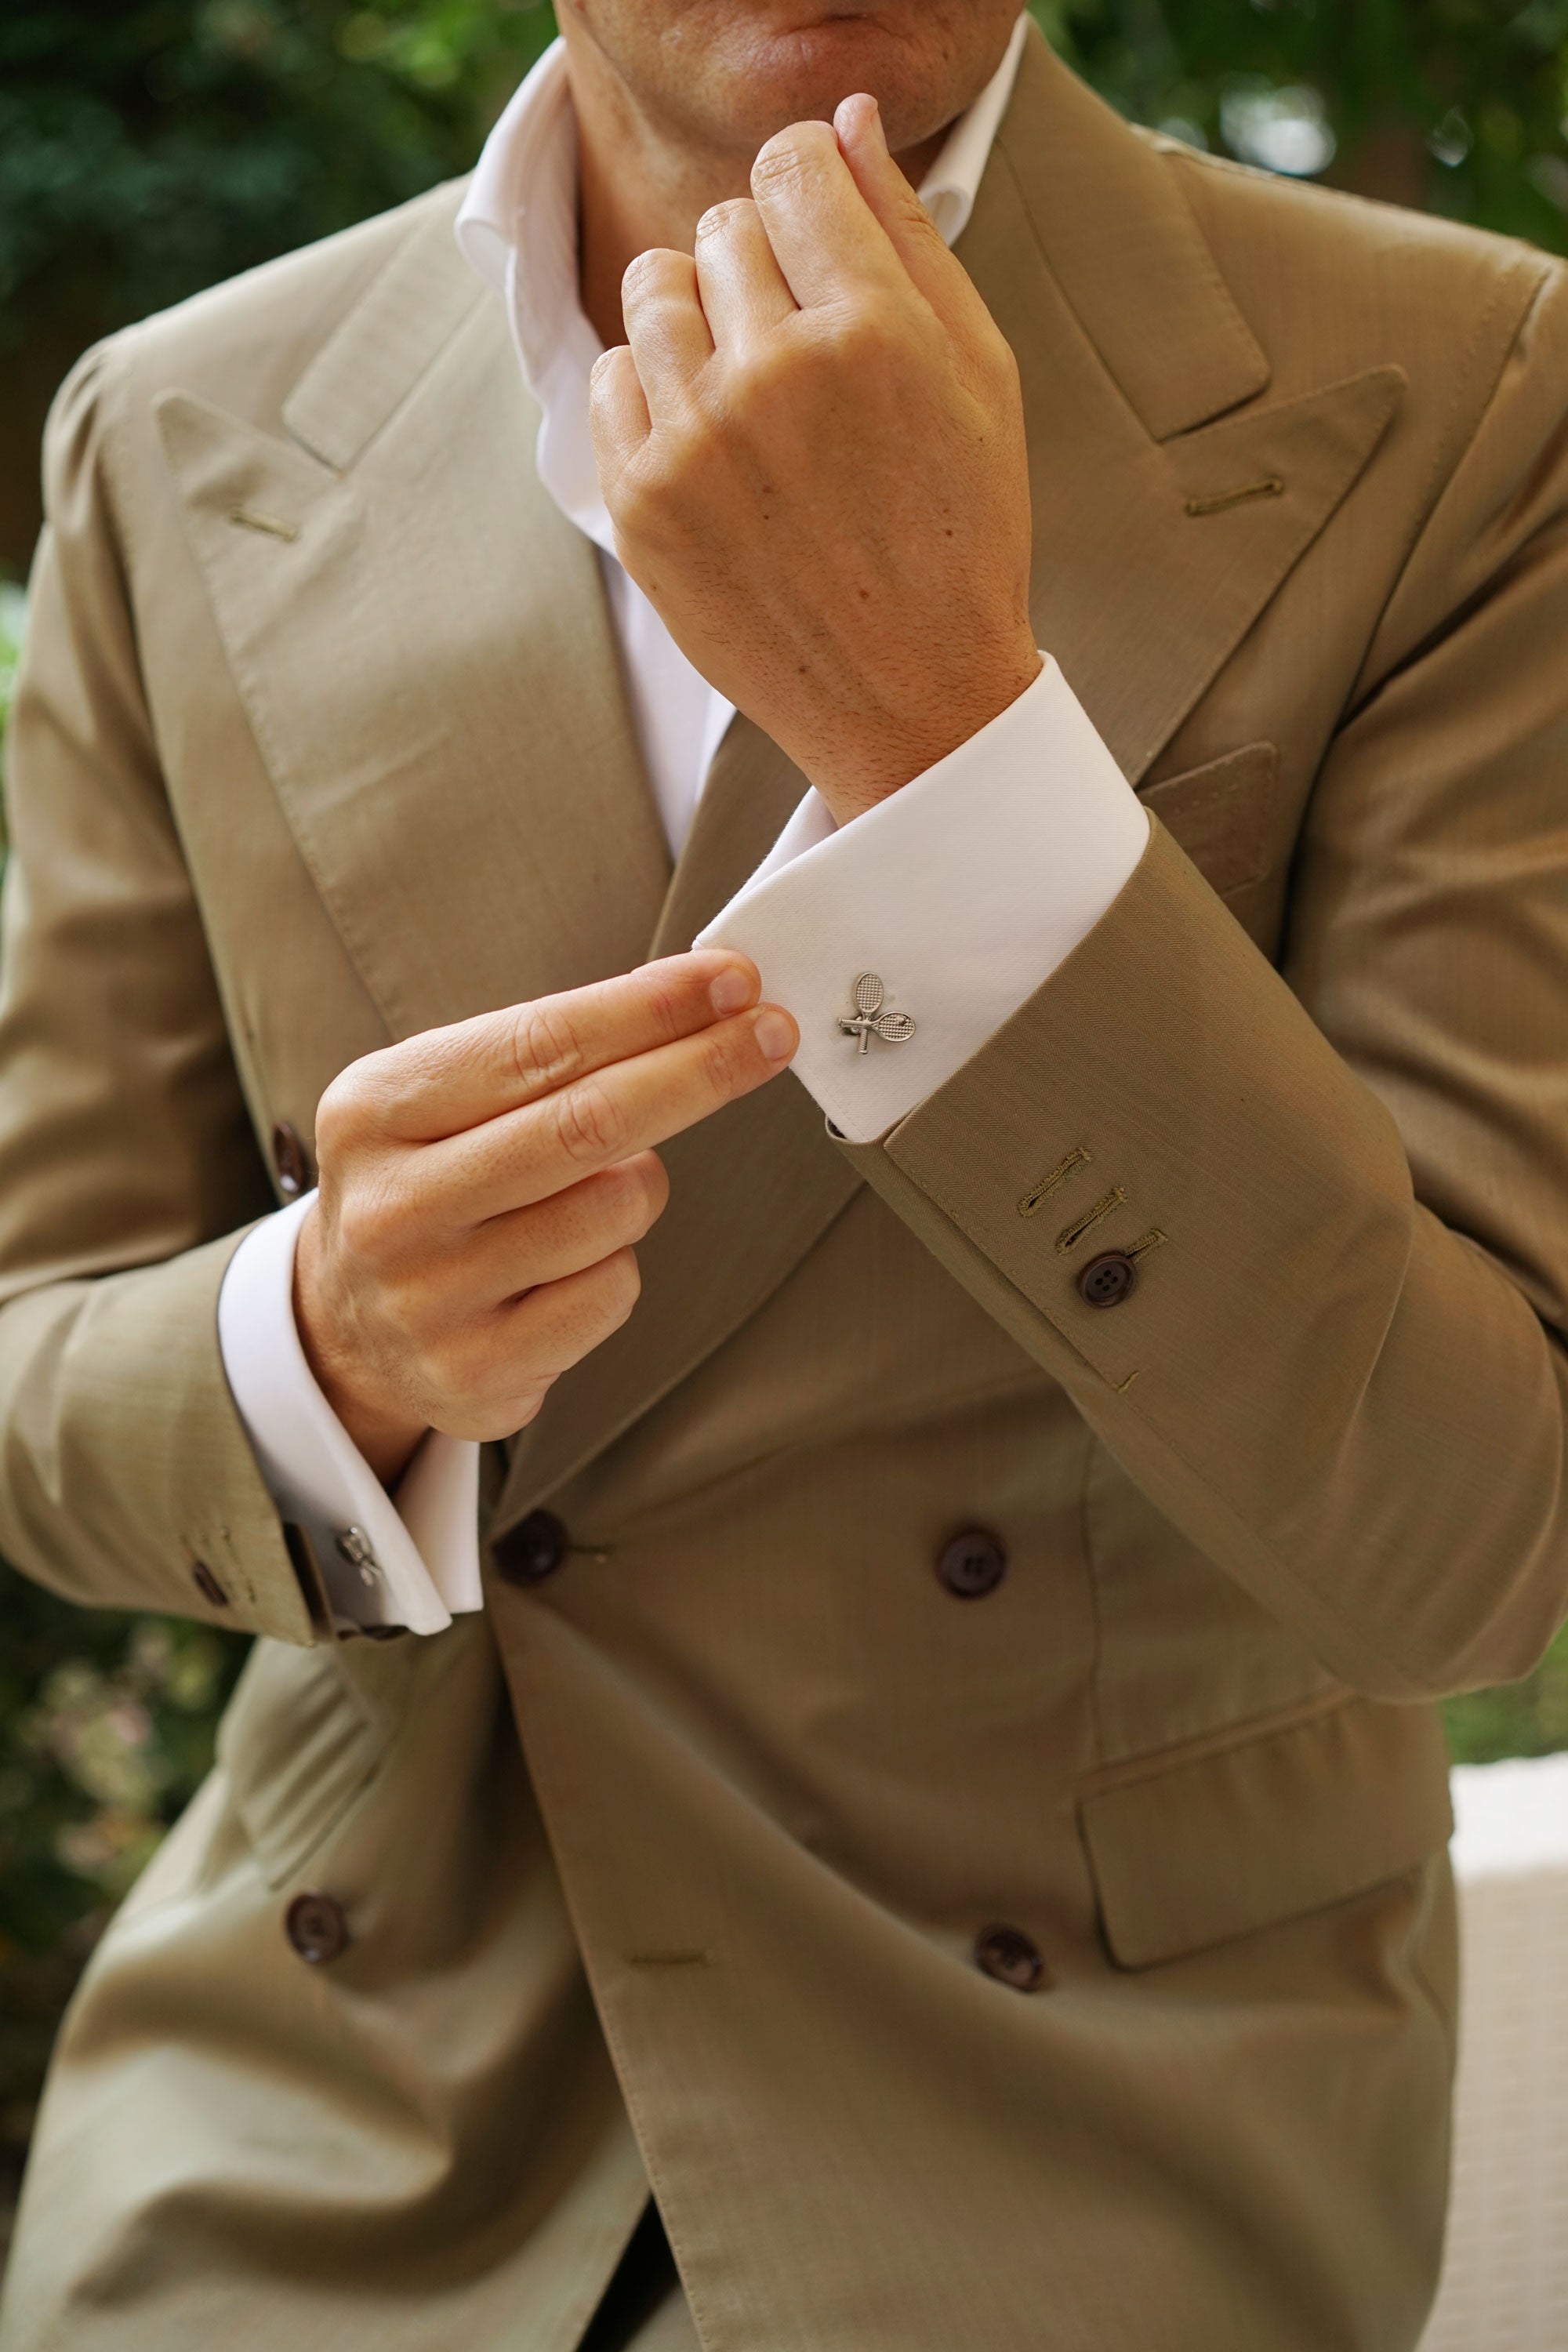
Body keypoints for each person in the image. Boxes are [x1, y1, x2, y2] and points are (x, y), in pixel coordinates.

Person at [1, 1, 1566, 2343]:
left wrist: (946, 742)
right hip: (331, 2104)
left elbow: (1480, 1536)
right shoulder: (177, 423)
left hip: (1091, 2122)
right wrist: (319, 1344)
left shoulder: (1466, 388)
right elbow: (37, 1357)